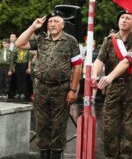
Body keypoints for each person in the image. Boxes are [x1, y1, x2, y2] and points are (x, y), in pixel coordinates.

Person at [15, 10, 83, 159]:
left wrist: (73, 90)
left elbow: (77, 66)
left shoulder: (71, 41)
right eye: (50, 22)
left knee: (58, 126)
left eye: (56, 21)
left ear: (63, 25)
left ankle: (56, 155)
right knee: (42, 125)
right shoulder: (41, 39)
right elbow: (19, 43)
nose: (52, 24)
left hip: (61, 89)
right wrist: (33, 26)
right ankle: (44, 154)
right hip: (41, 88)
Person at [92, 10, 132, 159]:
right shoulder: (109, 40)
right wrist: (95, 74)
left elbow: (127, 61)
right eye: (121, 17)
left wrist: (108, 77)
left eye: (128, 18)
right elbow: (100, 60)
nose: (124, 20)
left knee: (129, 128)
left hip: (131, 88)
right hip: (114, 89)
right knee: (109, 127)